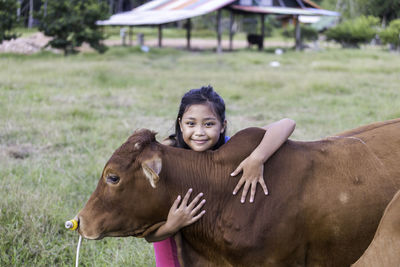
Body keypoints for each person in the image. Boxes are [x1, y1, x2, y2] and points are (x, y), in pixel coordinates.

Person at [145, 85, 296, 266]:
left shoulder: (229, 148)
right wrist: (172, 224)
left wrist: (257, 159)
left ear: (222, 125)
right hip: (172, 238)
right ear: (180, 124)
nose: (199, 132)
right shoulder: (169, 154)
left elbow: (287, 123)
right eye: (191, 123)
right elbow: (149, 234)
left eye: (209, 124)